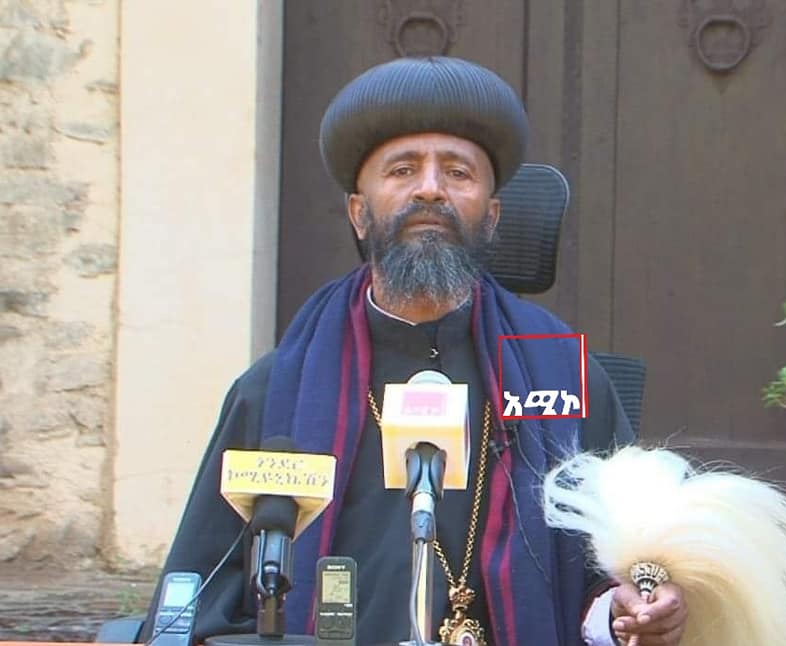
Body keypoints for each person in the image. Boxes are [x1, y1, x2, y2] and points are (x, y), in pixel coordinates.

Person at [144, 56, 687, 646]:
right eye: (403, 170)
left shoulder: (565, 376)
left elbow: (625, 567)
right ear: (359, 213)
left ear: (492, 217)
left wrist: (632, 604)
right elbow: (200, 596)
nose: (430, 189)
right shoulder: (277, 390)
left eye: (458, 172)